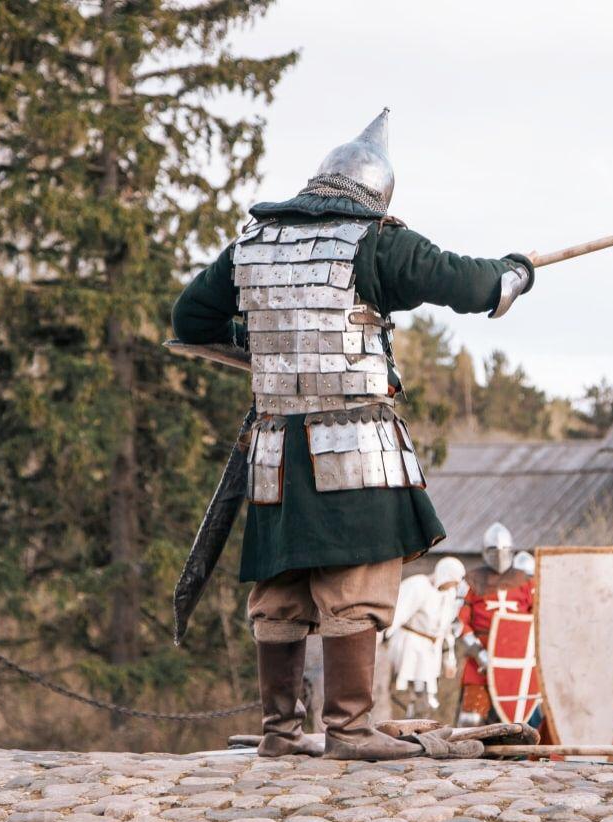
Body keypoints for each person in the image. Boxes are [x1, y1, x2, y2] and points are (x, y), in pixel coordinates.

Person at [170, 111, 535, 760]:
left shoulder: (252, 245)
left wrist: (259, 343)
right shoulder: (374, 243)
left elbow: (188, 317)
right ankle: (349, 728)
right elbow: (466, 281)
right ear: (374, 197)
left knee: (280, 590)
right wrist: (513, 275)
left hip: (275, 454)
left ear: (317, 184)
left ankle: (279, 732)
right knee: (355, 583)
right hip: (355, 449)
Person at [456, 521, 536, 726]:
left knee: (518, 722)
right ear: (485, 551)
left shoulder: (525, 582)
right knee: (470, 722)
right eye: (493, 550)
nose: (499, 555)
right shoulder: (471, 581)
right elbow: (458, 623)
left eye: (503, 550)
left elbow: (537, 620)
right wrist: (479, 655)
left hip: (516, 663)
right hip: (480, 660)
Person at [385, 557, 465, 718]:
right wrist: (383, 636)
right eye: (453, 581)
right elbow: (398, 613)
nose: (455, 586)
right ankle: (404, 728)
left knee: (427, 695)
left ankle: (418, 727)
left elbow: (446, 629)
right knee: (409, 692)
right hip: (410, 645)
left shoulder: (449, 594)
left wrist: (449, 661)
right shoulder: (419, 585)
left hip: (431, 650)